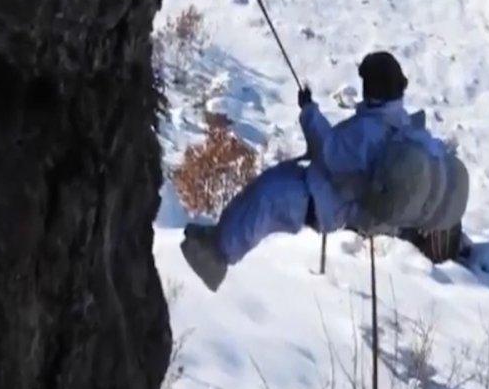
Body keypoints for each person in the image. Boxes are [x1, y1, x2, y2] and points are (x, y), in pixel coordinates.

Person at [181, 51, 449, 290]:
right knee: (264, 189)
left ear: (373, 88)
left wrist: (309, 111)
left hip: (321, 200)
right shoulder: (396, 122)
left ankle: (217, 256)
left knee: (264, 201)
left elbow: (329, 151)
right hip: (323, 192)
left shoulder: (370, 130)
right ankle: (220, 237)